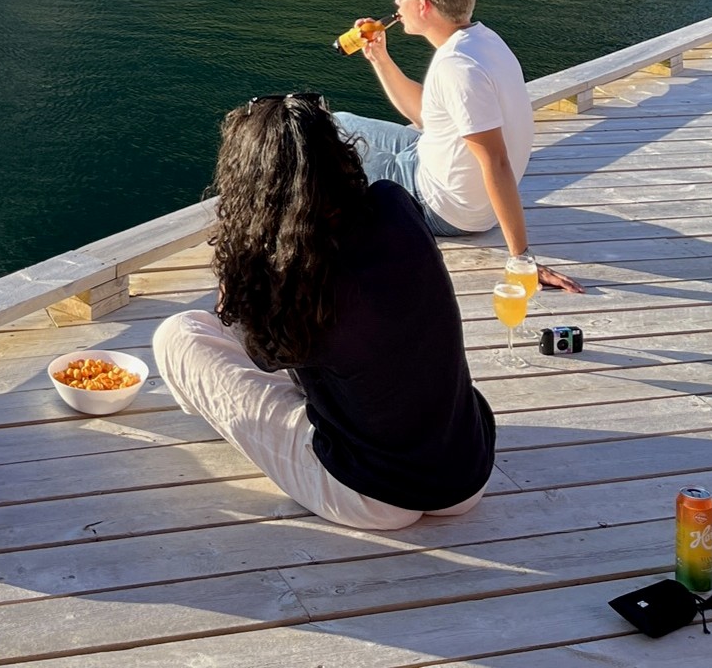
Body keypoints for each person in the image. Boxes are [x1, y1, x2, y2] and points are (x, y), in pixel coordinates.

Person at [153, 93, 495, 527]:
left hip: (369, 494)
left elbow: (262, 355)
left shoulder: (294, 276)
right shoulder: (395, 206)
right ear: (341, 155)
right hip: (467, 471)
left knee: (180, 334)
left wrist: (241, 264)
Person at [334, 0, 580, 292]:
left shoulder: (457, 67)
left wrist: (521, 258)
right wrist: (380, 58)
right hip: (439, 172)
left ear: (424, 6)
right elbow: (428, 117)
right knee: (339, 122)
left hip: (441, 206)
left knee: (327, 135)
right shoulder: (481, 41)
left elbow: (495, 162)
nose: (396, 0)